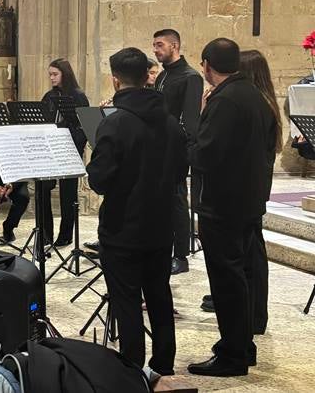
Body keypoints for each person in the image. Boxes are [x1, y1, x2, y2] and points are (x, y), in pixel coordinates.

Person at [86, 48, 184, 375]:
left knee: (126, 301)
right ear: (147, 77)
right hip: (160, 224)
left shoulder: (115, 124)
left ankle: (131, 369)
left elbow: (100, 180)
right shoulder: (170, 122)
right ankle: (164, 364)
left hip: (123, 228)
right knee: (159, 295)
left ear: (115, 80)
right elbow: (180, 170)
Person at [186, 38, 277, 377]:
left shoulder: (225, 101)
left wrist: (192, 135)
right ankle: (242, 346)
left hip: (223, 205)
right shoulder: (254, 95)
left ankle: (233, 355)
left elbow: (205, 155)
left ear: (208, 65)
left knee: (227, 281)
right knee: (240, 277)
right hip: (246, 201)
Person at [152, 28, 204, 275]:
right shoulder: (163, 76)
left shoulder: (190, 76)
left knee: (176, 201)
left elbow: (190, 120)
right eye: (154, 45)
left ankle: (181, 255)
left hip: (176, 149)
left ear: (174, 45)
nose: (155, 49)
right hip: (158, 147)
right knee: (161, 201)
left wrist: (177, 145)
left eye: (160, 45)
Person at [40, 58, 89, 246]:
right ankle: (45, 234)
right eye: (50, 74)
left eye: (55, 74)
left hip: (69, 150)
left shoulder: (78, 96)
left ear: (64, 74)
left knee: (68, 195)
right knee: (43, 188)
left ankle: (65, 235)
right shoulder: (49, 96)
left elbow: (83, 126)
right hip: (50, 150)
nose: (51, 78)